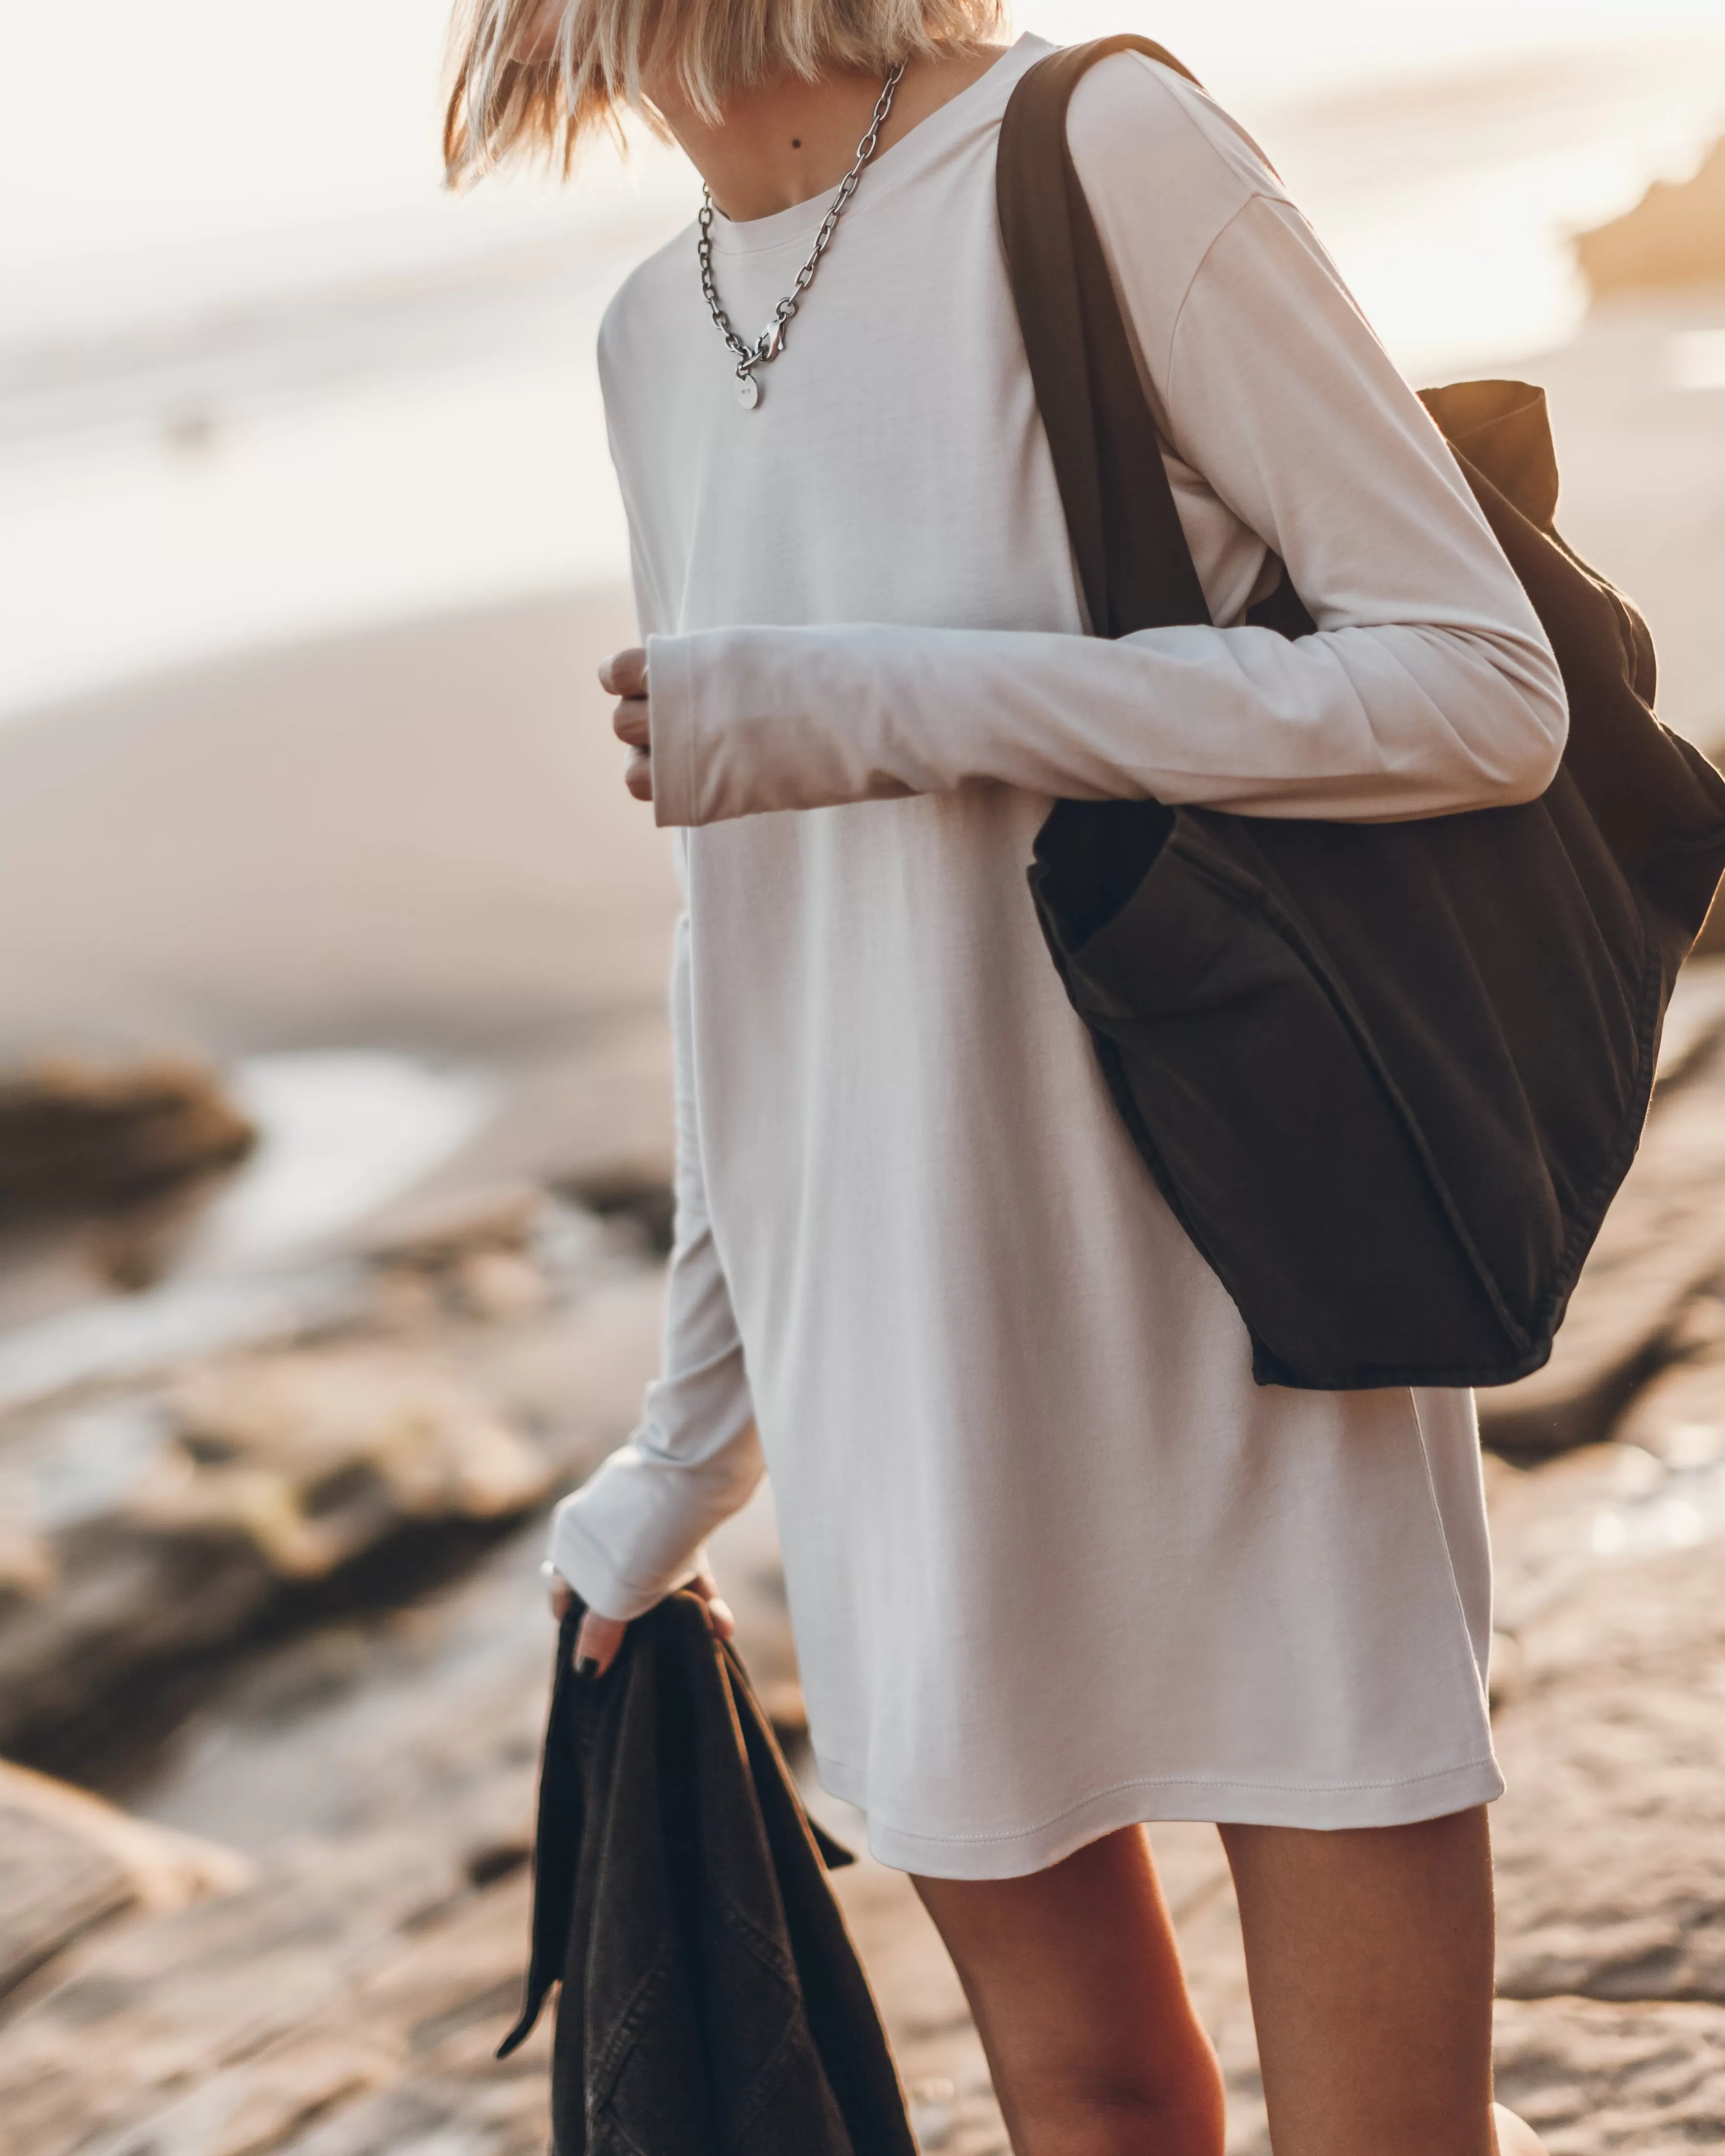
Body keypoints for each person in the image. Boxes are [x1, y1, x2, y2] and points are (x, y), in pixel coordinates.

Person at [444, 4, 1566, 2150]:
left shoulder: (1102, 146)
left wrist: (891, 700)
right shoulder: (648, 338)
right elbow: (746, 962)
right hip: (892, 1357)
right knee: (1096, 2111)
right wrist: (681, 1456)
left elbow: (1475, 689)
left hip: (1245, 1281)